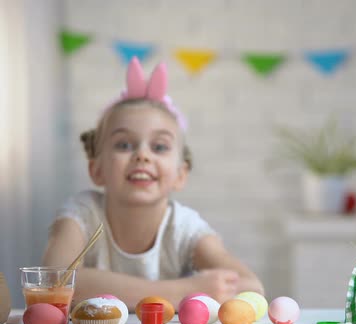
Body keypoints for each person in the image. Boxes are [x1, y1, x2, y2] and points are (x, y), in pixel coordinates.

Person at [42, 57, 264, 310]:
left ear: (181, 174)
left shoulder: (184, 227)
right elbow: (54, 282)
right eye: (124, 144)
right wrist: (182, 291)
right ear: (96, 169)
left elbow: (251, 285)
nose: (142, 155)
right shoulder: (82, 214)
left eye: (159, 146)